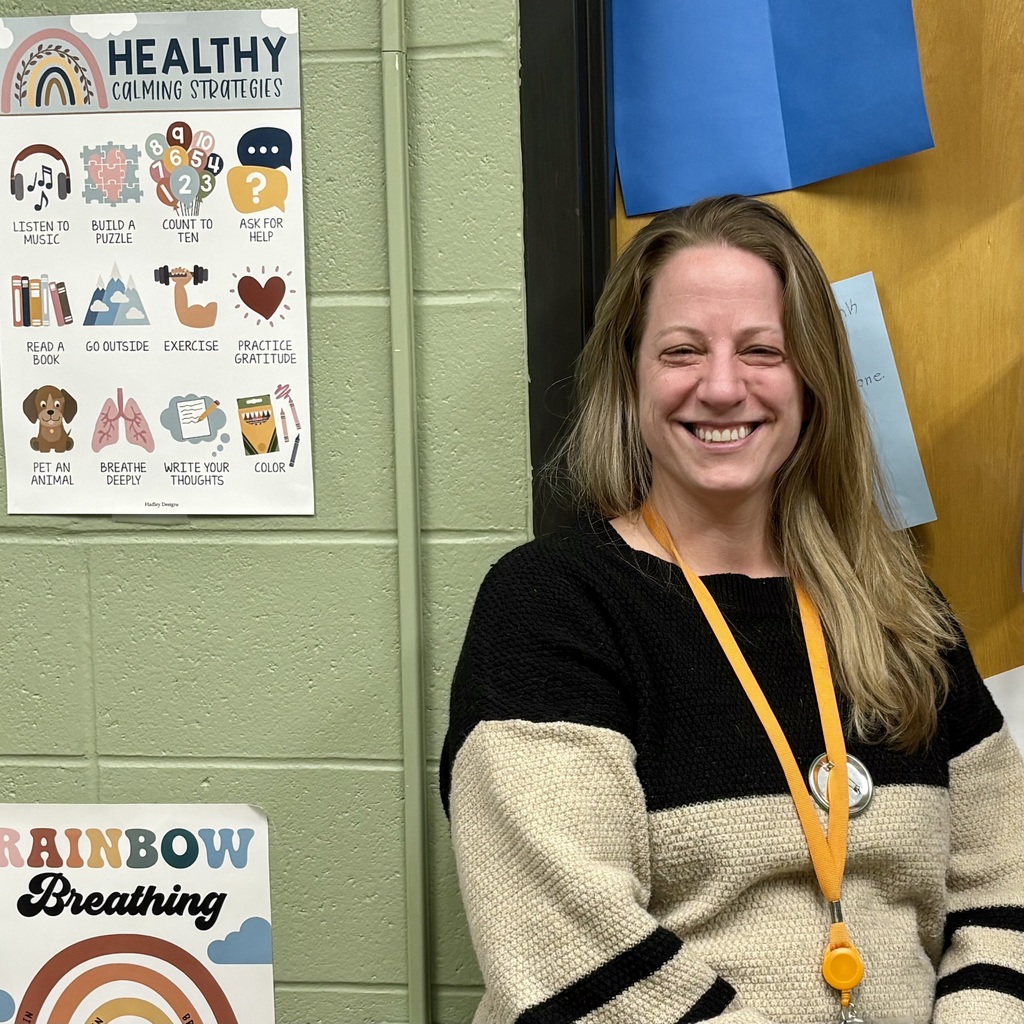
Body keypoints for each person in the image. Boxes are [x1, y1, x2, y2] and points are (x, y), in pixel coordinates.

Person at [440, 196, 1024, 1024]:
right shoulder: (553, 606)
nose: (722, 387)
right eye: (682, 351)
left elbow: (1006, 883)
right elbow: (564, 946)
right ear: (630, 373)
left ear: (814, 378)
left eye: (762, 351)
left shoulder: (898, 606)